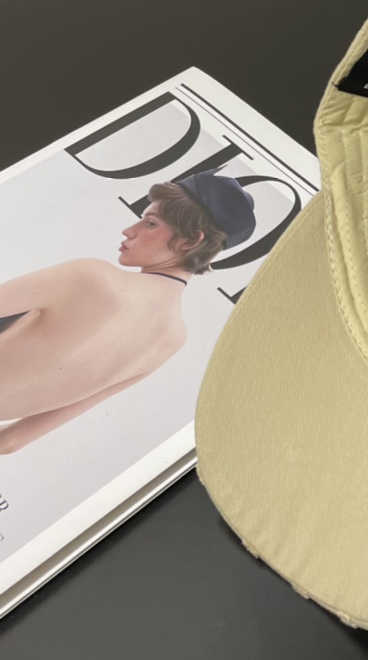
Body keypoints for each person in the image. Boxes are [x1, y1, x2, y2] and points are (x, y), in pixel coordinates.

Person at [0, 169, 255, 454]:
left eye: (150, 223)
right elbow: (10, 442)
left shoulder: (92, 277)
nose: (129, 230)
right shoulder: (170, 339)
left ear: (190, 240)